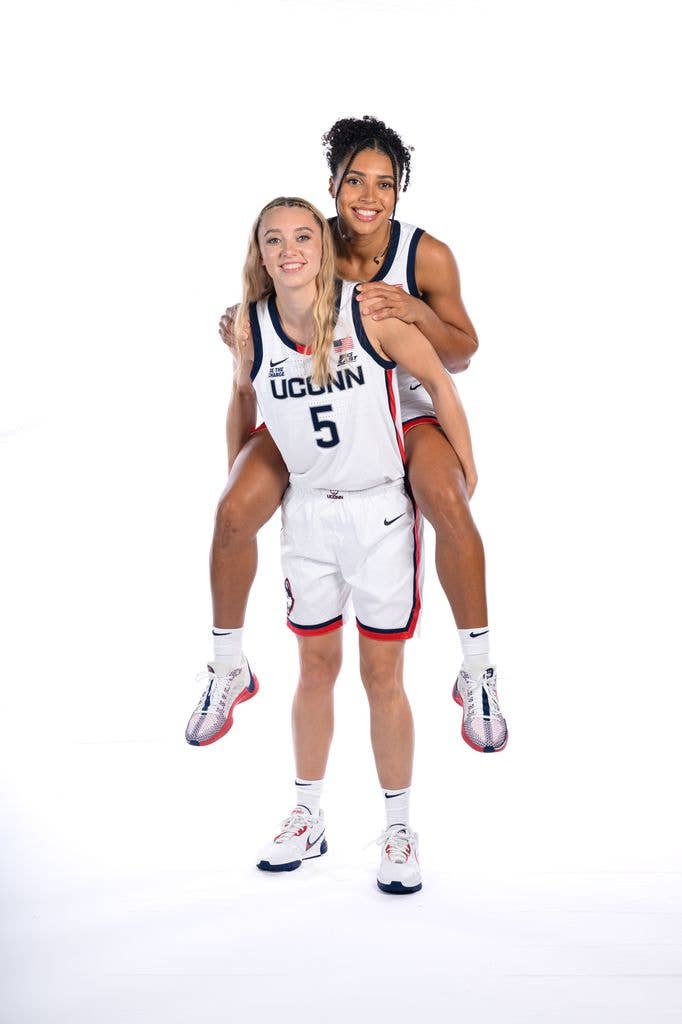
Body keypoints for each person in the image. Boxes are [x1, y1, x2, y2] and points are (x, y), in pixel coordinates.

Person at [187, 115, 507, 756]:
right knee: (232, 512)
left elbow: (463, 354)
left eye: (384, 184)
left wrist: (414, 310)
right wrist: (236, 328)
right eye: (354, 181)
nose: (368, 195)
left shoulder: (427, 255)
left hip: (402, 397)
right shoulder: (306, 237)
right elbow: (263, 329)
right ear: (332, 186)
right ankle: (228, 666)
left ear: (399, 191)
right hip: (312, 397)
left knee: (448, 501)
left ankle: (478, 670)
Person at [206, 196, 476, 893]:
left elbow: (442, 381)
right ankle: (307, 814)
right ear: (259, 254)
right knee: (315, 670)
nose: (289, 249)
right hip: (310, 515)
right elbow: (243, 401)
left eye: (302, 236)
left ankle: (397, 828)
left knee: (382, 679)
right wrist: (239, 478)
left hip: (380, 509)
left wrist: (467, 468)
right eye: (274, 239)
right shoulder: (252, 330)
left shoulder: (369, 312)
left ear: (323, 248)